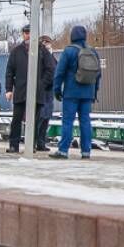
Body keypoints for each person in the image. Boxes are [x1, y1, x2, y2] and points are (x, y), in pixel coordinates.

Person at [50, 25, 101, 160]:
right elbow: (98, 75)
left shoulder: (69, 51)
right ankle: (86, 151)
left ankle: (63, 150)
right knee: (85, 121)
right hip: (88, 93)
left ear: (72, 36)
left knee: (68, 121)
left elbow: (59, 72)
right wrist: (95, 92)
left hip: (71, 93)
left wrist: (56, 89)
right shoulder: (93, 52)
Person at [5, 24, 50, 153]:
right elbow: (9, 71)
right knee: (17, 119)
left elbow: (50, 69)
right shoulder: (16, 51)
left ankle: (31, 145)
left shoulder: (42, 51)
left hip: (37, 92)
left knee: (34, 120)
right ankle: (14, 145)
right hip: (21, 91)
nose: (28, 35)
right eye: (26, 33)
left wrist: (42, 84)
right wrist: (9, 89)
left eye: (30, 32)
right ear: (23, 34)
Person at [36, 34, 57, 151]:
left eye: (48, 42)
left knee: (46, 118)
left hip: (50, 92)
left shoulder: (52, 56)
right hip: (42, 90)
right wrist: (42, 84)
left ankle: (41, 142)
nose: (47, 44)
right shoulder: (39, 56)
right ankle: (35, 142)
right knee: (40, 117)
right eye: (44, 42)